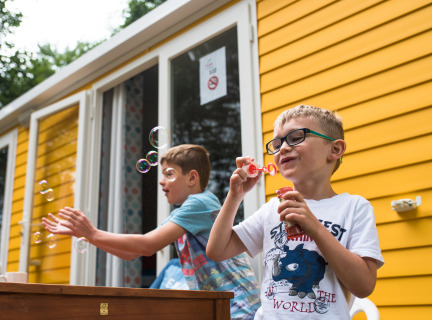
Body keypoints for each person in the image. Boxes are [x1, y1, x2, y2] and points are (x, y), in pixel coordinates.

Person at [42, 144, 261, 319]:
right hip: (227, 307)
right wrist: (86, 235)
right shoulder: (184, 213)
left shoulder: (200, 203)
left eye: (169, 173)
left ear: (192, 178)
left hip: (240, 305)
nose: (161, 181)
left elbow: (147, 245)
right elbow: (132, 253)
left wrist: (92, 233)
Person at [206, 105, 384, 319]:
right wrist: (235, 196)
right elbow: (217, 250)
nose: (282, 148)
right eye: (277, 143)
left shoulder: (355, 207)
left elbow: (364, 286)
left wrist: (315, 228)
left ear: (335, 150)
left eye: (296, 137)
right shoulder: (273, 209)